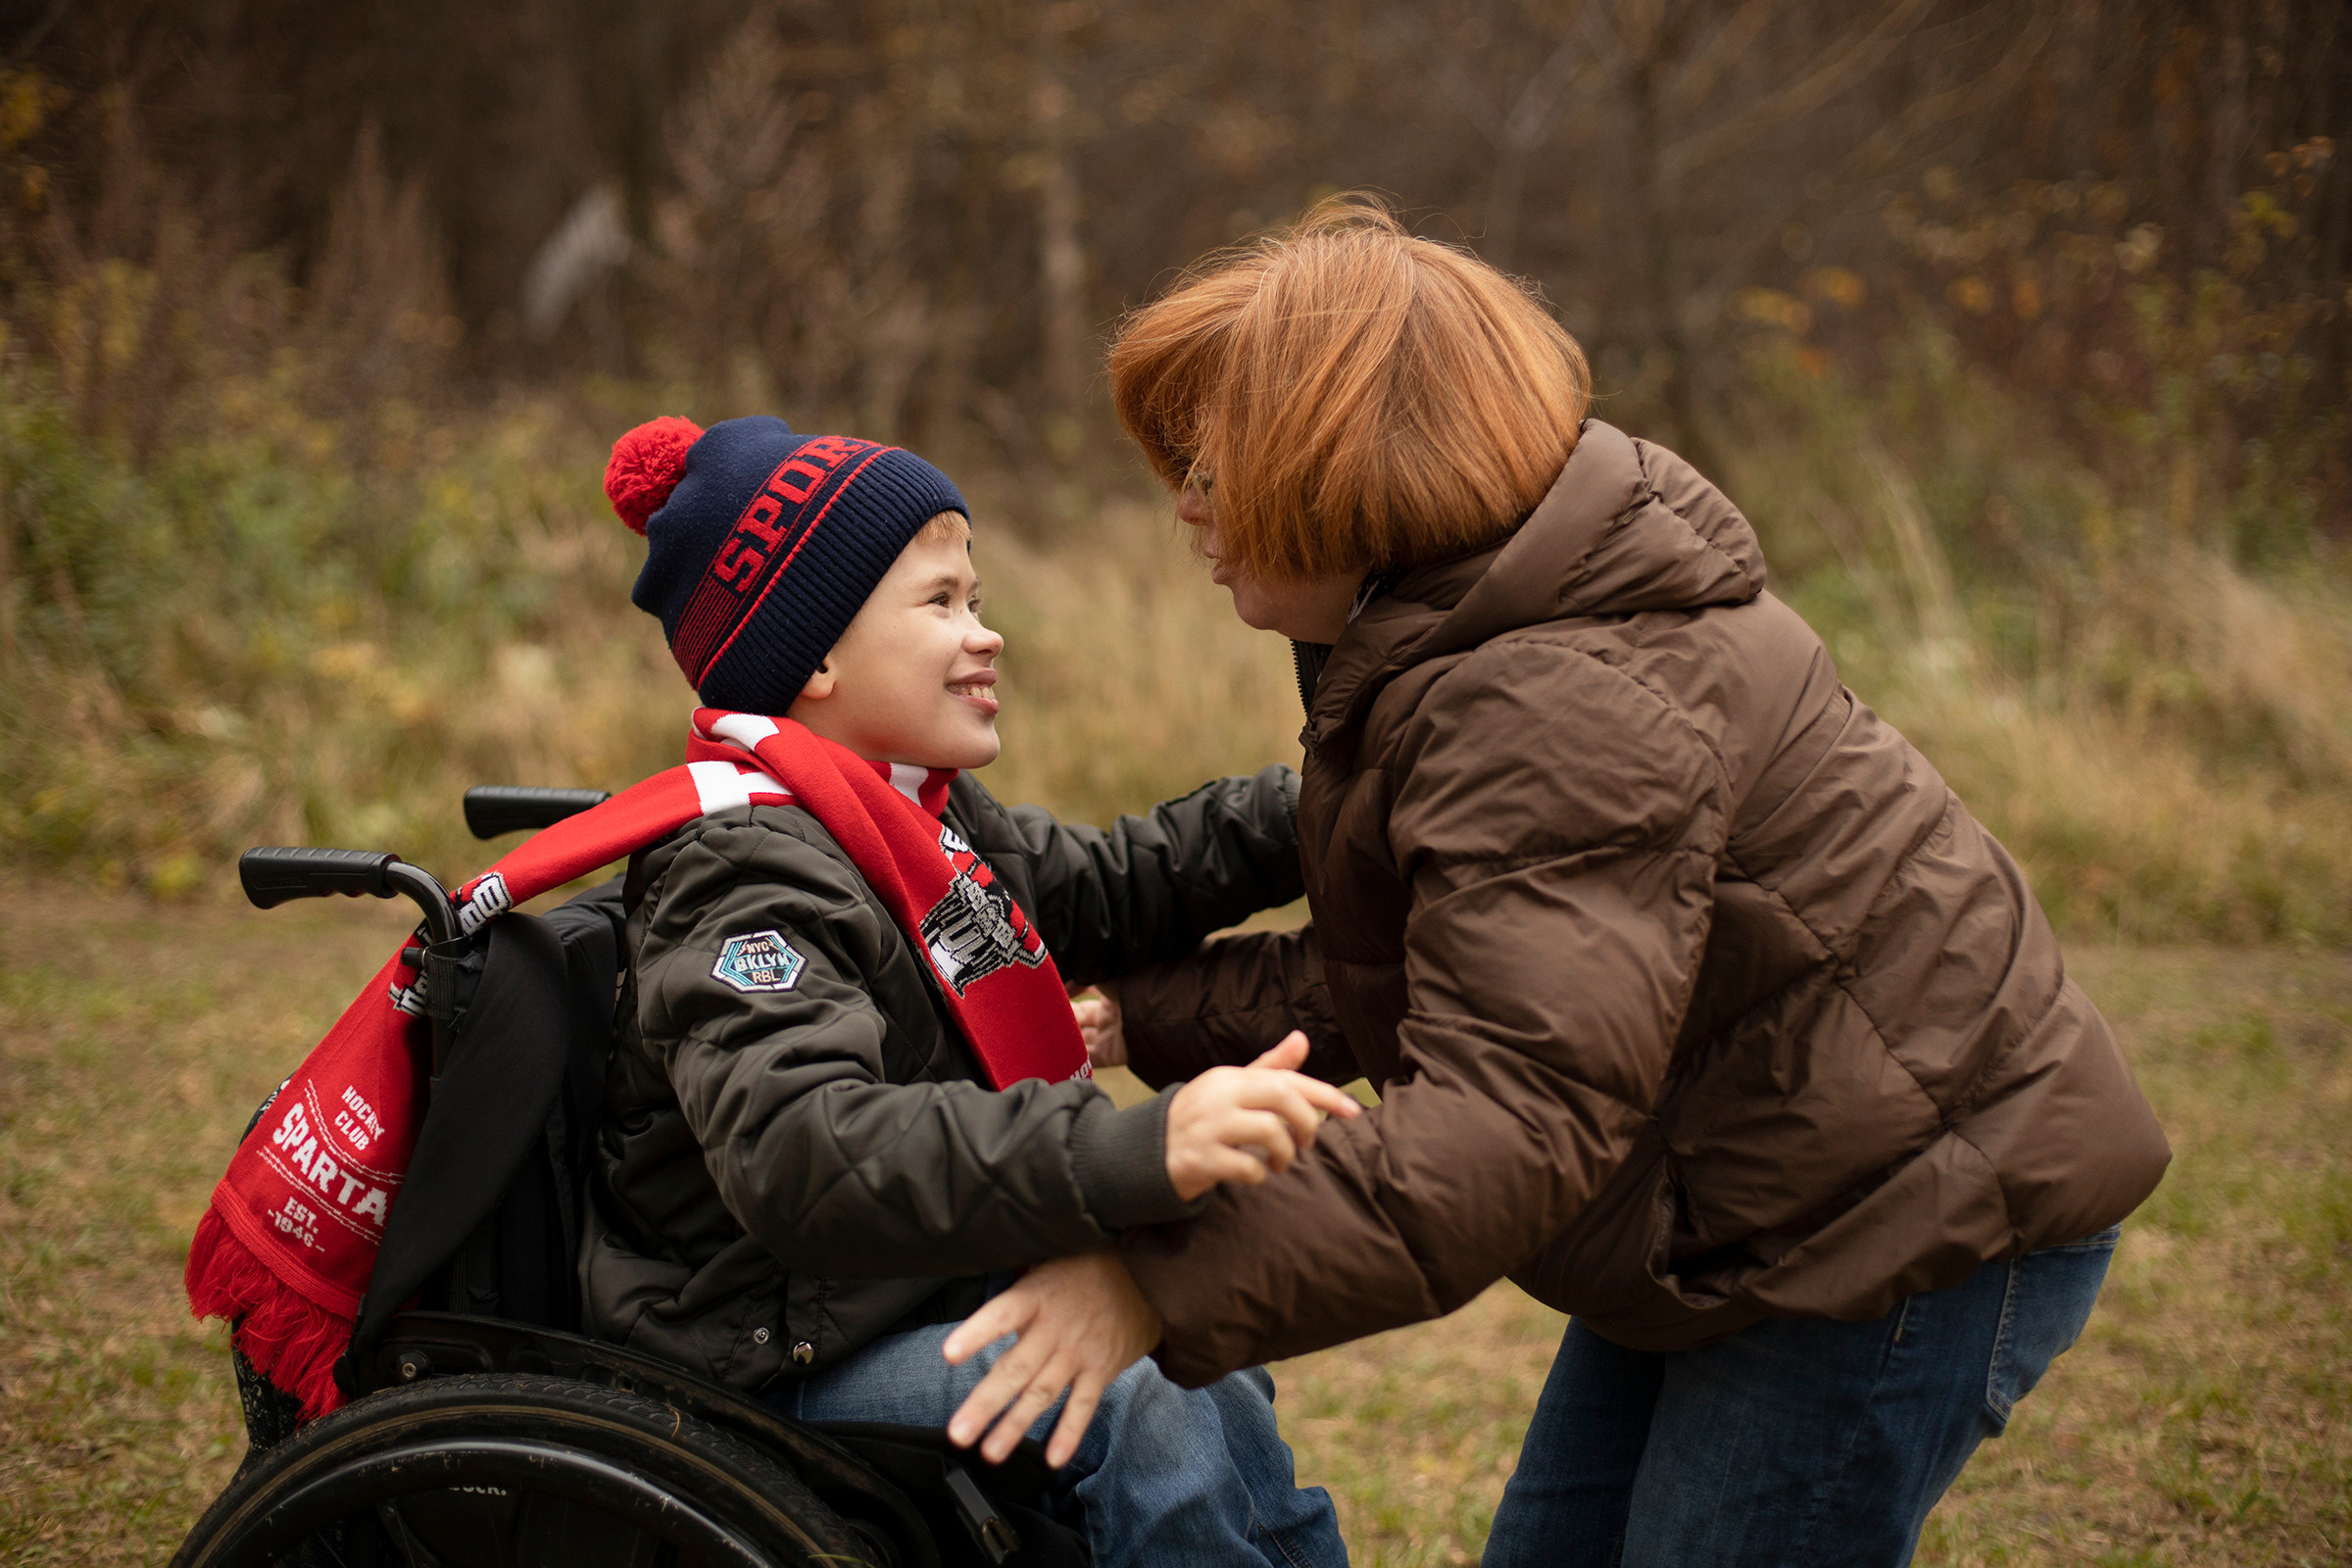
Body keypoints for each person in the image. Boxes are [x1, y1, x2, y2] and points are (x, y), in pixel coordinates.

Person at [939, 200, 2173, 1568]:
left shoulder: (1556, 697)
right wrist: (1140, 1014)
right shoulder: (1458, 637)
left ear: (1339, 463)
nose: (1186, 503)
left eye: (1214, 463)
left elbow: (1510, 1109)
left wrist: (1147, 1288)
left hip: (1898, 1224)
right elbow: (1435, 971)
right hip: (1751, 1201)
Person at [583, 413, 1357, 1568]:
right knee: (1129, 1394)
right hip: (776, 1358)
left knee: (1202, 1349)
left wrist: (1321, 811)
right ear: (816, 656)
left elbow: (1113, 883)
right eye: (941, 603)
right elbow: (802, 1147)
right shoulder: (742, 869)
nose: (986, 634)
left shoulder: (916, 823)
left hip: (909, 1294)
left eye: (977, 597)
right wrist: (1132, 1152)